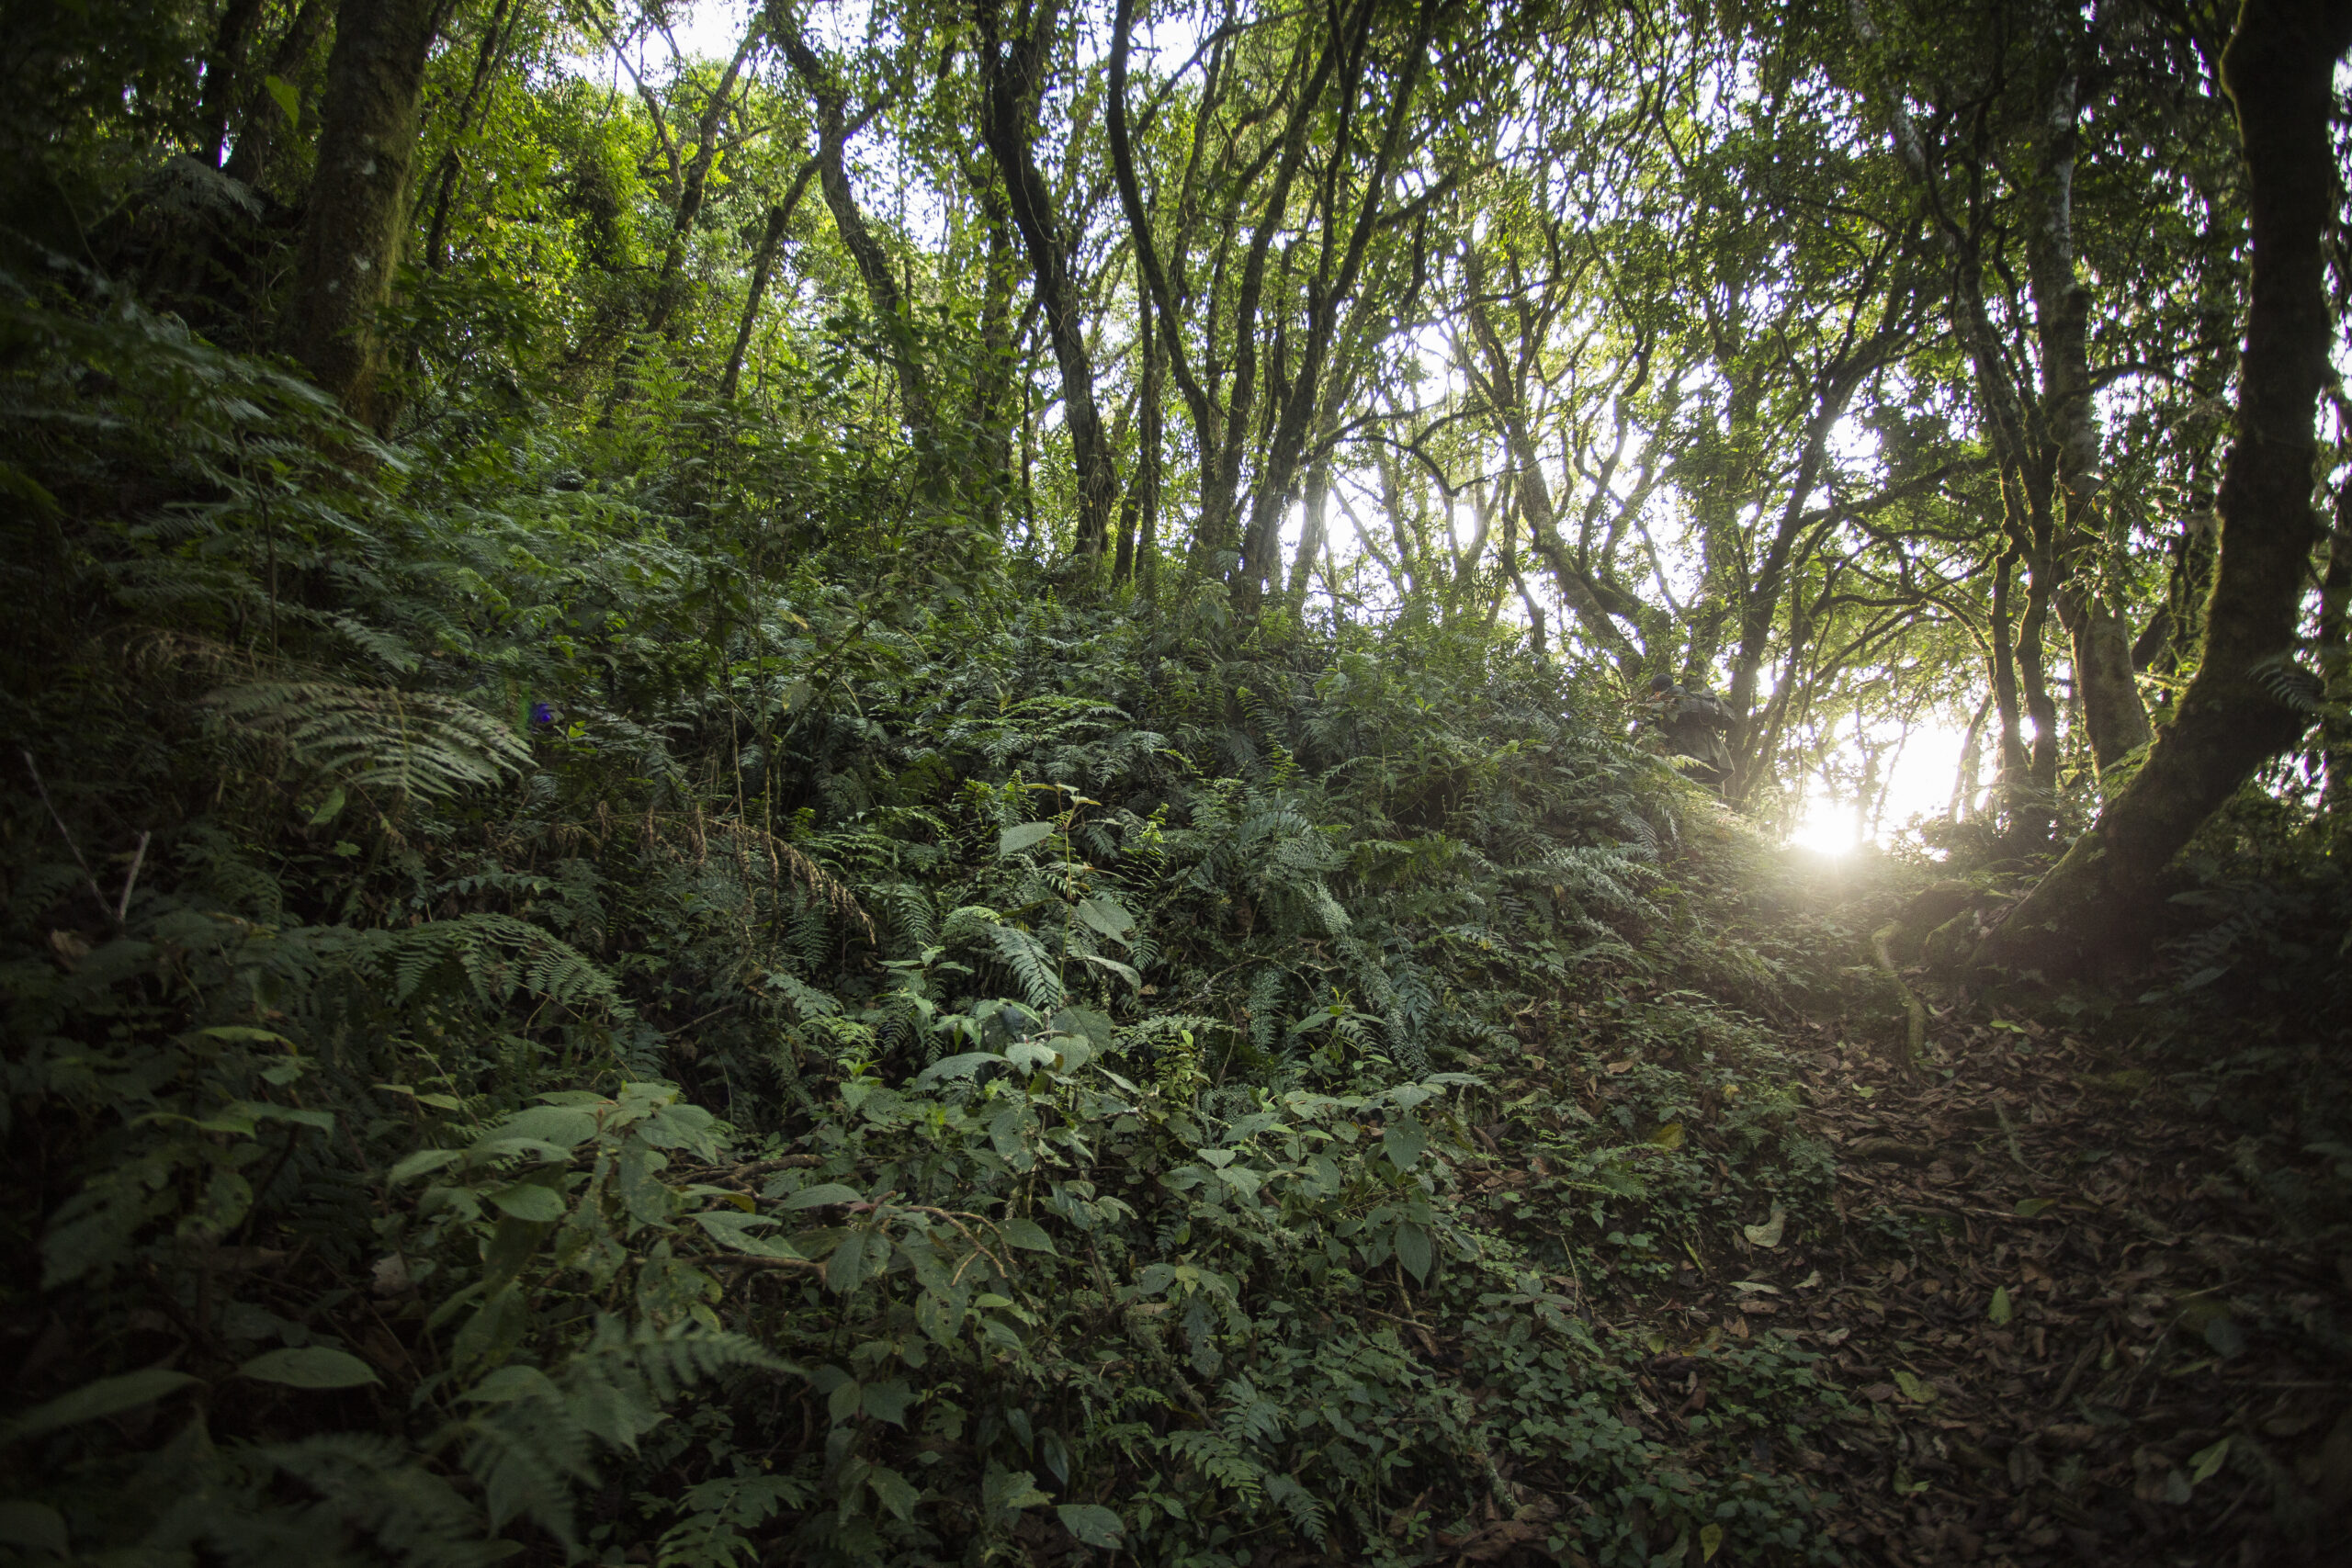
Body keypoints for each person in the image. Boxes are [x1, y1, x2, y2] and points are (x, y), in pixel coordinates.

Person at [1637, 672, 1736, 794]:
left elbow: (1650, 731)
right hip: (1717, 757)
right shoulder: (1695, 698)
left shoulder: (1666, 702)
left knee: (1690, 792)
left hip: (1690, 757)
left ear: (1657, 690)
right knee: (1713, 793)